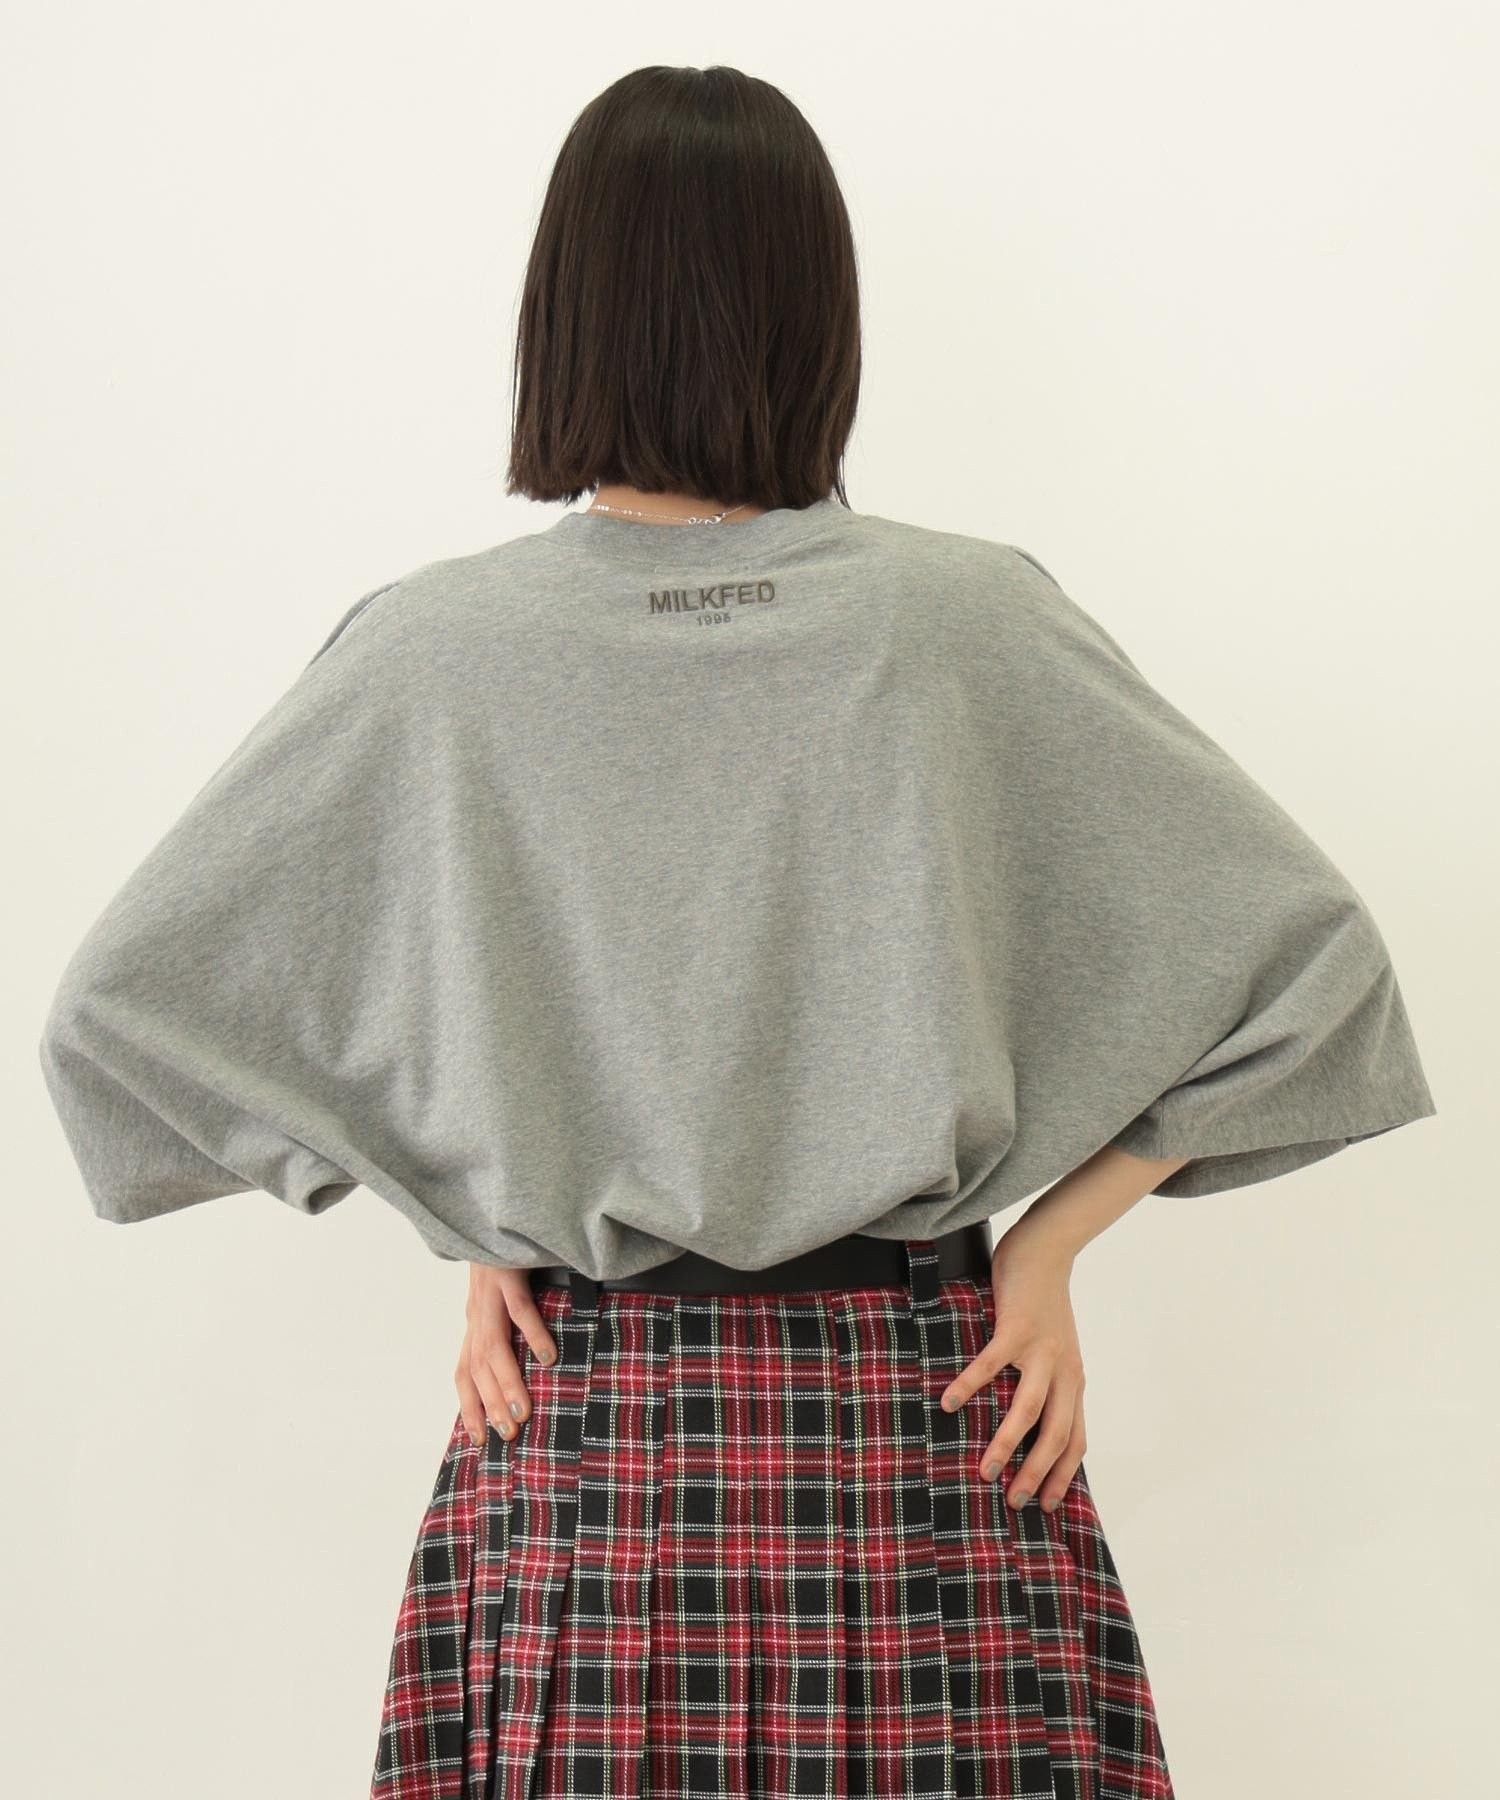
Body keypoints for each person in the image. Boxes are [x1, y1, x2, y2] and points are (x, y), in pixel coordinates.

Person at [36, 64, 1436, 1800]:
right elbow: (1313, 972)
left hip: (588, 1447)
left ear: (562, 316)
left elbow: (126, 1015)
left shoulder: (434, 652)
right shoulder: (965, 621)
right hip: (925, 1427)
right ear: (815, 317)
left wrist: (473, 1197)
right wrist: (1049, 1248)